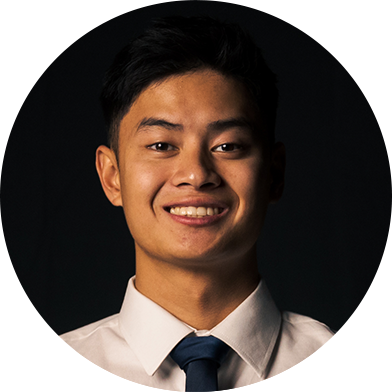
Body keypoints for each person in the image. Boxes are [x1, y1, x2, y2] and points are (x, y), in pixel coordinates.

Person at [0, 15, 391, 392]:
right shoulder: (27, 384)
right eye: (161, 146)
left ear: (274, 173)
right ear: (111, 175)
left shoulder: (375, 380)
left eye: (228, 146)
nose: (197, 173)